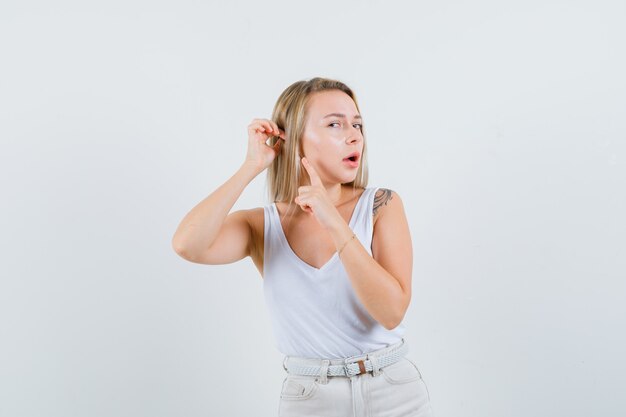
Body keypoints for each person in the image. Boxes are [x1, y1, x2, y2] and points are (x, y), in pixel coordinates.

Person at [172, 77, 433, 417]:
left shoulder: (382, 205)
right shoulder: (260, 227)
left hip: (394, 393)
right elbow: (187, 244)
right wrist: (251, 165)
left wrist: (334, 222)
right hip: (310, 398)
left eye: (357, 124)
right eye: (335, 124)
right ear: (294, 139)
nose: (354, 135)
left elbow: (391, 312)